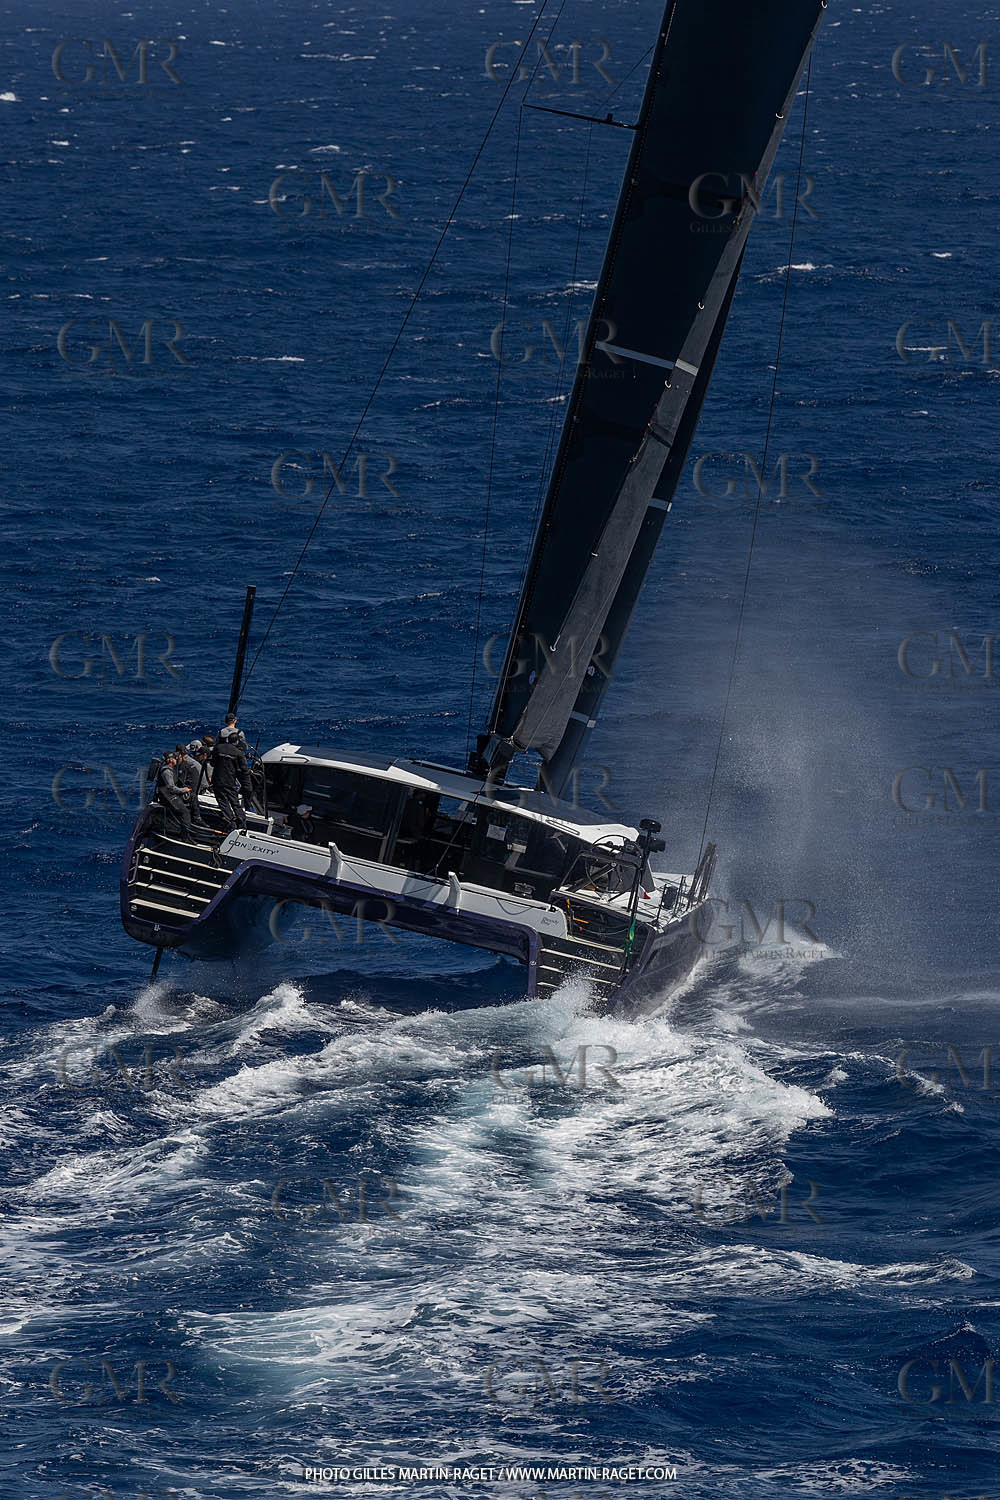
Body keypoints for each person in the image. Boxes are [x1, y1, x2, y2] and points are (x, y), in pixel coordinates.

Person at [210, 727, 253, 832]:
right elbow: (243, 770)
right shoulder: (239, 753)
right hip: (230, 781)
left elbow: (212, 763)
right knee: (235, 803)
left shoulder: (218, 748)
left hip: (217, 780)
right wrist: (249, 772)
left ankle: (231, 824)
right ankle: (242, 824)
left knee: (223, 802)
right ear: (237, 741)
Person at [156, 751, 197, 835]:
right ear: (171, 759)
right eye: (175, 758)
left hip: (169, 794)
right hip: (167, 796)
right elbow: (171, 788)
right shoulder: (167, 771)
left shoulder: (171, 769)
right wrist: (184, 790)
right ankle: (185, 835)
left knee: (192, 798)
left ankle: (196, 820)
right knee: (184, 812)